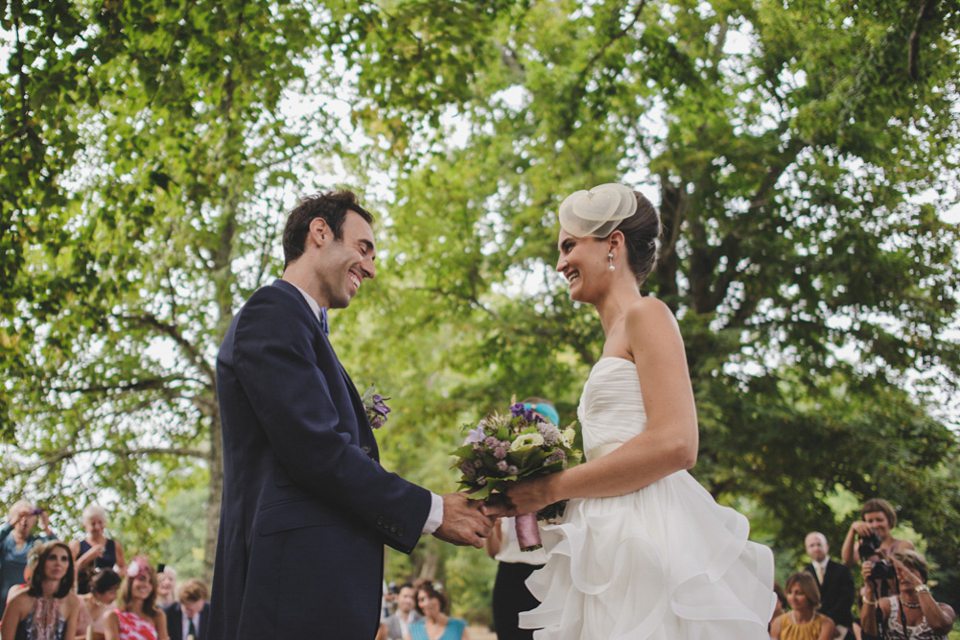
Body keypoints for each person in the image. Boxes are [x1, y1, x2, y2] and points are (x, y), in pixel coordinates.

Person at [209, 190, 501, 639]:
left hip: (315, 591)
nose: (371, 267)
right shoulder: (271, 313)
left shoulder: (303, 329)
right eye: (363, 248)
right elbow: (317, 452)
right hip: (289, 593)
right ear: (320, 234)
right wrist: (434, 511)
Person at [504, 183, 776, 638]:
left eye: (569, 245)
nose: (560, 263)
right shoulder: (612, 339)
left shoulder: (647, 314)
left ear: (613, 242)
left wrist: (550, 488)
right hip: (607, 534)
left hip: (648, 533)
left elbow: (677, 443)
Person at [486, 399, 559, 640]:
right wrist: (493, 524)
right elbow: (493, 551)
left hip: (546, 572)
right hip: (508, 573)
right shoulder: (503, 481)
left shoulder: (559, 480)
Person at [859, 549, 954, 640]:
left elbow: (939, 625)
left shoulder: (944, 609)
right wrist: (870, 590)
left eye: (910, 571)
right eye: (899, 572)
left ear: (923, 576)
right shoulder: (887, 606)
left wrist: (918, 585)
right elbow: (868, 631)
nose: (904, 576)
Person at [0, 541, 80, 640]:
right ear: (41, 562)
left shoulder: (72, 602)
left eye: (64, 559)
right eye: (52, 557)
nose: (58, 563)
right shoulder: (18, 600)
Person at [1, 501, 57, 617]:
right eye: (21, 516)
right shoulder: (5, 541)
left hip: (26, 602)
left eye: (29, 516)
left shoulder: (36, 543)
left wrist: (46, 529)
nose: (25, 520)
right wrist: (10, 524)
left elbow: (58, 550)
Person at [804, 531, 855, 639]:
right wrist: (821, 624)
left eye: (819, 544)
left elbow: (847, 598)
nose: (816, 548)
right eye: (812, 545)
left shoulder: (842, 570)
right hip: (814, 629)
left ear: (827, 547)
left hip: (842, 627)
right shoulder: (804, 574)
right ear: (807, 550)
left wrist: (831, 623)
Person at [103, 557, 168, 640]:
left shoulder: (158, 616)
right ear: (130, 582)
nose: (146, 585)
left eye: (150, 582)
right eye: (142, 579)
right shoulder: (112, 617)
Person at [69, 505, 126, 595]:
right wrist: (87, 557)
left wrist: (114, 576)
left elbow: (123, 567)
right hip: (83, 594)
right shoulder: (77, 545)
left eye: (100, 522)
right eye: (93, 524)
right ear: (85, 526)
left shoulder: (114, 545)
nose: (97, 527)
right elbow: (68, 570)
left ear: (105, 523)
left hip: (106, 595)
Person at [841, 498, 915, 566]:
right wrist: (852, 529)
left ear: (889, 521)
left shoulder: (903, 545)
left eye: (879, 520)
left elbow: (902, 573)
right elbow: (847, 560)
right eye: (870, 521)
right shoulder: (864, 544)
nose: (875, 525)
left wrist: (881, 556)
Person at [769, 571, 836, 640]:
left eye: (799, 593)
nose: (793, 598)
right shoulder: (778, 623)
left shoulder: (826, 624)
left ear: (810, 594)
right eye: (790, 592)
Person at [403, 582, 468, 640]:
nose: (426, 603)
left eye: (431, 597)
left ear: (439, 598)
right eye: (421, 599)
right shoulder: (413, 630)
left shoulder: (458, 626)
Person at [76, 569, 122, 640]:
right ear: (99, 592)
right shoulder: (77, 603)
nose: (116, 596)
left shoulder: (113, 608)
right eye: (112, 592)